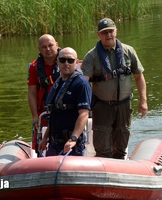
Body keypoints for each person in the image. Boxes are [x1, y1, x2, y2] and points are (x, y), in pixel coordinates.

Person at [82, 18, 148, 159]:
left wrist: (143, 101)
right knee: (103, 149)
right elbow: (84, 83)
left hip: (124, 105)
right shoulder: (91, 56)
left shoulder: (128, 51)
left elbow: (138, 77)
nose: (108, 35)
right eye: (104, 32)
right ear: (98, 35)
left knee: (121, 147)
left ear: (116, 31)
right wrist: (84, 106)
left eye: (111, 31)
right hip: (102, 106)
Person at [38, 47, 92, 156]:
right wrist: (44, 138)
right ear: (57, 62)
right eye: (62, 60)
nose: (66, 63)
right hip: (54, 143)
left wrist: (73, 138)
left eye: (70, 60)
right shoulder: (58, 83)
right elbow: (54, 114)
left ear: (76, 63)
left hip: (71, 144)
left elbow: (84, 114)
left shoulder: (81, 84)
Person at [27, 34, 60, 150]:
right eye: (44, 47)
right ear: (39, 49)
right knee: (39, 145)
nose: (48, 49)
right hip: (44, 113)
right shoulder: (34, 67)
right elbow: (32, 93)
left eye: (50, 45)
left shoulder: (68, 62)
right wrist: (35, 116)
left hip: (65, 110)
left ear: (56, 45)